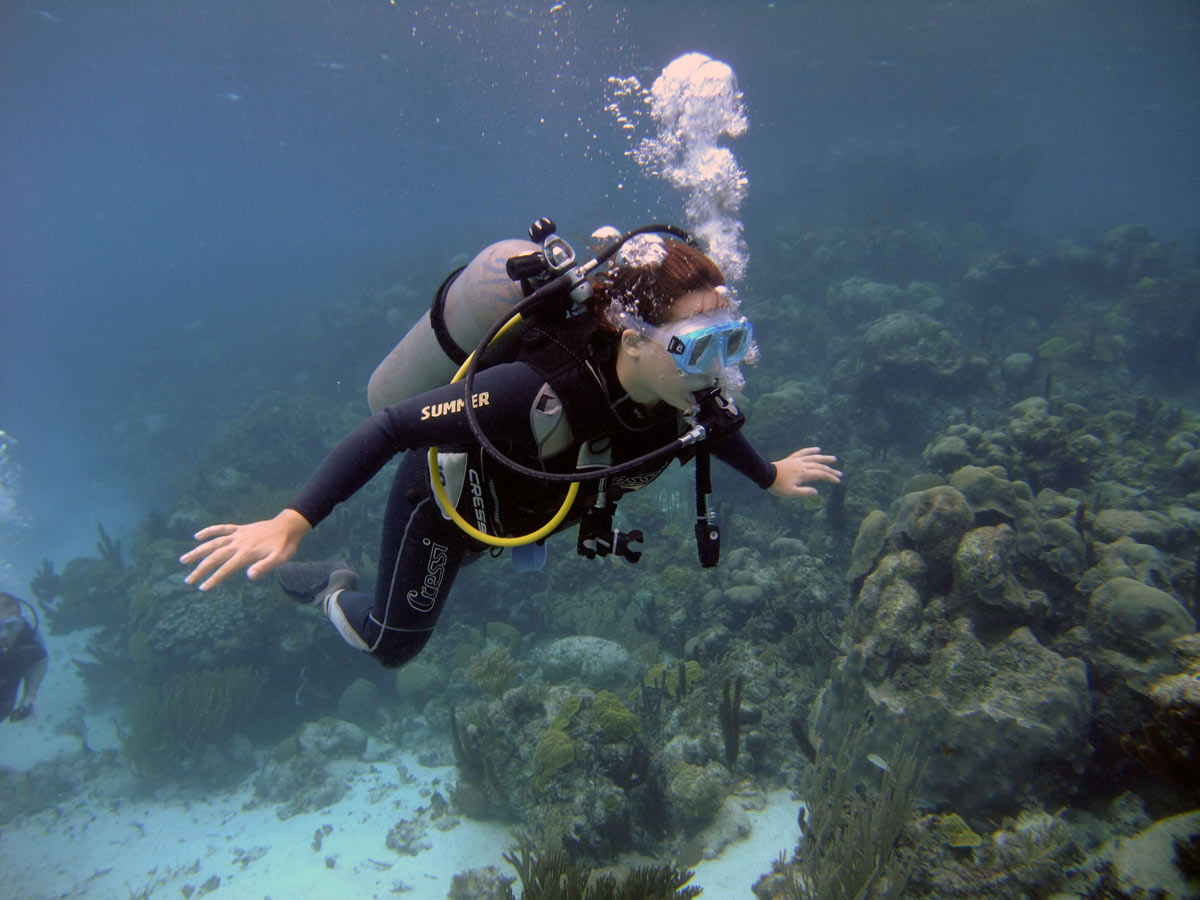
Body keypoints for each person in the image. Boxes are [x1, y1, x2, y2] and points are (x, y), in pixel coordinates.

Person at [181, 231, 842, 669]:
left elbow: (718, 428)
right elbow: (388, 430)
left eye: (732, 343)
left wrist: (770, 476)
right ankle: (330, 588)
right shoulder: (531, 393)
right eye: (701, 347)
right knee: (390, 644)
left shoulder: (685, 390)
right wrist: (294, 519)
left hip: (520, 514)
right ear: (632, 338)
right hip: (445, 509)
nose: (717, 371)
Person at [0, 591, 47, 722]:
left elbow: (40, 660)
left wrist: (30, 695)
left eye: (11, 625)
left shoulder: (26, 638)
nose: (5, 635)